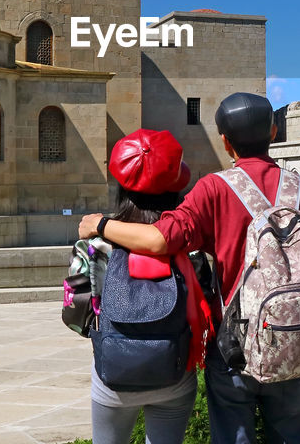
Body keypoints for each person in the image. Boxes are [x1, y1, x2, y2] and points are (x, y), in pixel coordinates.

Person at [81, 93, 300, 444]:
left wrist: (100, 225)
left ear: (224, 141)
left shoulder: (214, 189)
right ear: (275, 132)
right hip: (296, 337)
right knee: (294, 434)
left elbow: (160, 240)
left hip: (235, 348)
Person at [89, 129, 213, 444]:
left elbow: (75, 315)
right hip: (174, 375)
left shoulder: (93, 244)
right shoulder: (188, 245)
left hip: (113, 376)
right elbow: (206, 305)